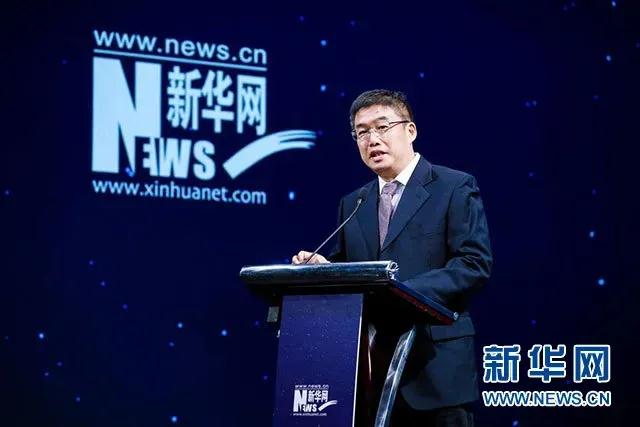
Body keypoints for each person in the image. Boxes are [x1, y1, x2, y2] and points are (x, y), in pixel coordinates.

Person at [292, 89, 492, 426]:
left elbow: (473, 264)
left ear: (410, 131)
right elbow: (353, 272)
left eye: (382, 127)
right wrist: (325, 271)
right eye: (362, 132)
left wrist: (402, 292)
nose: (372, 139)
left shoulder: (453, 187)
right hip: (371, 374)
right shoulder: (354, 203)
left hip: (435, 371)